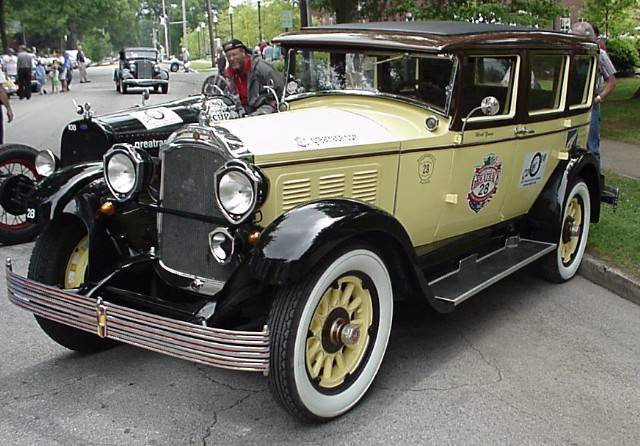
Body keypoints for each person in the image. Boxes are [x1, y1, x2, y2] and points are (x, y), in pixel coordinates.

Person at [571, 21, 616, 162]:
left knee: (592, 145)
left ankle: (594, 178)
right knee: (569, 142)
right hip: (571, 103)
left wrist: (599, 98)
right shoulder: (569, 53)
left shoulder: (599, 54)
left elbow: (612, 81)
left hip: (591, 103)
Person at [222, 38, 284, 116]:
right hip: (245, 110)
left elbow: (281, 90)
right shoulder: (231, 75)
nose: (232, 59)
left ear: (243, 53)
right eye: (228, 56)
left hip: (266, 110)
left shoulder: (261, 68)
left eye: (234, 55)